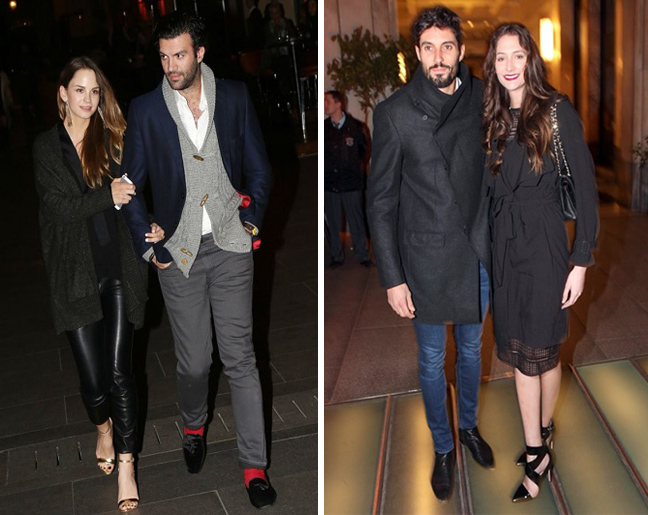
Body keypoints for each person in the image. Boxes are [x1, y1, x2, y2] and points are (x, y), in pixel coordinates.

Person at [120, 11, 276, 509]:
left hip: (230, 245)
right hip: (178, 253)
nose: (172, 66)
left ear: (200, 53)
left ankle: (254, 467)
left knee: (241, 357)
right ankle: (193, 424)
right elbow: (129, 184)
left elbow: (260, 167)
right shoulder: (146, 110)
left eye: (180, 55)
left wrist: (251, 222)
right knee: (194, 363)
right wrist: (148, 244)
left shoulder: (234, 97)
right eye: (164, 57)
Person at [367, 6, 493, 502]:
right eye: (428, 48)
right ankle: (443, 446)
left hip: (475, 252)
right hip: (425, 261)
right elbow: (380, 202)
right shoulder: (395, 113)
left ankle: (469, 427)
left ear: (460, 51)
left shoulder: (483, 97)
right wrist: (392, 277)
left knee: (471, 351)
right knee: (432, 357)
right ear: (416, 54)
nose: (438, 57)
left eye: (447, 46)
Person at [33, 56, 165, 512]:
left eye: (95, 91)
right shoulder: (46, 149)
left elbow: (136, 195)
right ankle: (103, 429)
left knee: (120, 373)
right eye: (80, 90)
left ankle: (127, 466)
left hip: (119, 267)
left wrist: (152, 225)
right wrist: (106, 195)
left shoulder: (113, 141)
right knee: (93, 383)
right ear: (63, 94)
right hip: (75, 276)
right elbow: (60, 209)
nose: (88, 99)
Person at [482, 22, 599, 502]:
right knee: (529, 350)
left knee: (536, 354)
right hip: (505, 247)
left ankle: (536, 453)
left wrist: (581, 261)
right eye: (501, 57)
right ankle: (543, 433)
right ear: (492, 64)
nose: (509, 66)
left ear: (531, 59)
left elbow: (586, 191)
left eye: (518, 55)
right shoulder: (492, 116)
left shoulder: (555, 111)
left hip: (546, 246)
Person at [324, 90, 370, 268]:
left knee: (356, 220)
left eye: (328, 101)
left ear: (338, 104)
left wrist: (355, 170)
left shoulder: (356, 127)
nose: (325, 105)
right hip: (331, 185)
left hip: (351, 184)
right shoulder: (324, 128)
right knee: (334, 222)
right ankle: (336, 256)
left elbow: (364, 151)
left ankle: (362, 254)